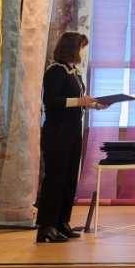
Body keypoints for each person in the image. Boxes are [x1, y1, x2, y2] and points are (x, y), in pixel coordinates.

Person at [37, 32, 109, 243]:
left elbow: (76, 101)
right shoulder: (55, 71)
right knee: (55, 178)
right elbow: (51, 101)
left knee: (69, 178)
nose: (83, 52)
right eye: (81, 47)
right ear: (72, 48)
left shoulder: (73, 72)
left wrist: (95, 105)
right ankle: (47, 225)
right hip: (57, 131)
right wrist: (79, 101)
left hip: (72, 130)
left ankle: (62, 221)